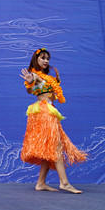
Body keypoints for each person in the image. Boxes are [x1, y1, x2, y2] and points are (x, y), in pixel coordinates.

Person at [19, 48, 86, 193]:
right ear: (36, 60)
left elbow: (53, 95)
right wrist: (30, 82)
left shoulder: (47, 77)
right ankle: (64, 183)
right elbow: (30, 89)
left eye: (47, 59)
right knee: (56, 147)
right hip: (43, 112)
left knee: (49, 148)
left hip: (49, 111)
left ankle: (41, 183)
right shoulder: (36, 76)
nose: (45, 61)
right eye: (42, 58)